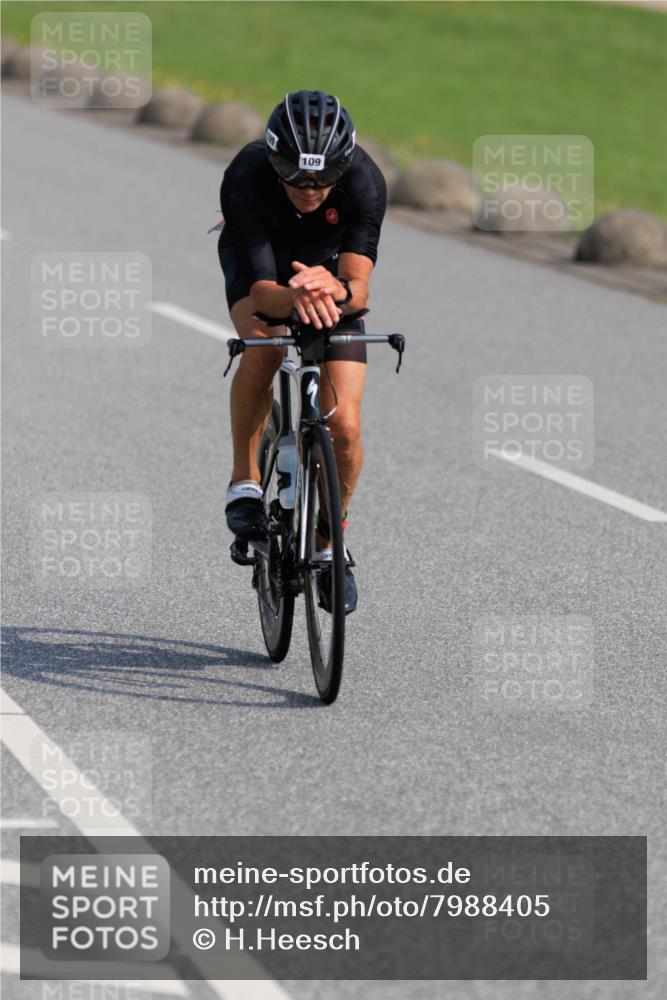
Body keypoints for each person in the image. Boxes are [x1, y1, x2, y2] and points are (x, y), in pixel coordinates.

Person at [218, 90, 387, 614]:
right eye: (294, 176)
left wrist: (333, 289)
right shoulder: (247, 175)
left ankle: (328, 542)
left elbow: (359, 288)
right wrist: (295, 297)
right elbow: (263, 293)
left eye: (323, 177)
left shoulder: (364, 180)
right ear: (274, 161)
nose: (310, 189)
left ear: (343, 165)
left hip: (328, 275)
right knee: (265, 351)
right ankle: (244, 482)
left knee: (346, 427)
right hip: (264, 269)